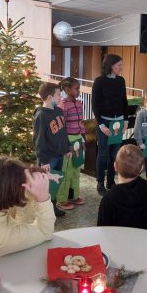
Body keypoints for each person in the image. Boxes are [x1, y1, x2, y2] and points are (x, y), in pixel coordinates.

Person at [0, 156, 55, 260]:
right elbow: (45, 233)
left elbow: (3, 176)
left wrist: (35, 172)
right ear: (13, 192)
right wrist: (42, 197)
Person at [97, 144, 147, 231]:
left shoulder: (108, 199)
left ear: (115, 166)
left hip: (119, 243)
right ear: (141, 169)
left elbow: (103, 231)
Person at [33, 82, 72, 217]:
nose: (60, 97)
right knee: (46, 185)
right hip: (49, 158)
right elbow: (39, 140)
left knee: (55, 182)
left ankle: (53, 208)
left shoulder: (59, 111)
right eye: (58, 95)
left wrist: (68, 147)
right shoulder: (41, 116)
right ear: (50, 97)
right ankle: (44, 212)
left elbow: (63, 132)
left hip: (60, 154)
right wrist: (43, 161)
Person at [92, 54, 128, 196]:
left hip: (118, 122)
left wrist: (125, 120)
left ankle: (111, 181)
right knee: (103, 154)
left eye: (121, 65)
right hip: (105, 123)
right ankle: (100, 182)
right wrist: (101, 125)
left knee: (114, 154)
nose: (121, 68)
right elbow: (95, 105)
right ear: (110, 66)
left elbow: (124, 101)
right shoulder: (99, 81)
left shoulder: (121, 80)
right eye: (118, 65)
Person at [57, 77, 86, 209]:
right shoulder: (62, 105)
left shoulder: (80, 104)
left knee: (76, 169)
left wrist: (83, 139)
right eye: (76, 88)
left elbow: (81, 123)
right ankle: (62, 199)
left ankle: (73, 196)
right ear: (68, 89)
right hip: (68, 141)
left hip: (78, 140)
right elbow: (61, 127)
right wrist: (67, 145)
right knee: (66, 171)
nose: (79, 91)